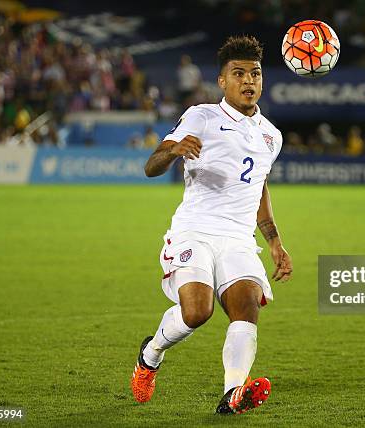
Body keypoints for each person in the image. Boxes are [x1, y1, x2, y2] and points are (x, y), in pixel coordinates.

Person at [131, 35, 293, 415]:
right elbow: (150, 167)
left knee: (246, 306)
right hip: (195, 231)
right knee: (197, 312)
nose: (248, 81)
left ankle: (233, 393)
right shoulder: (202, 116)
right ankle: (150, 355)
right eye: (238, 73)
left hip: (238, 239)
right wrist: (173, 149)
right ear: (222, 81)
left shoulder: (272, 136)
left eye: (254, 73)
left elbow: (259, 188)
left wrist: (274, 241)